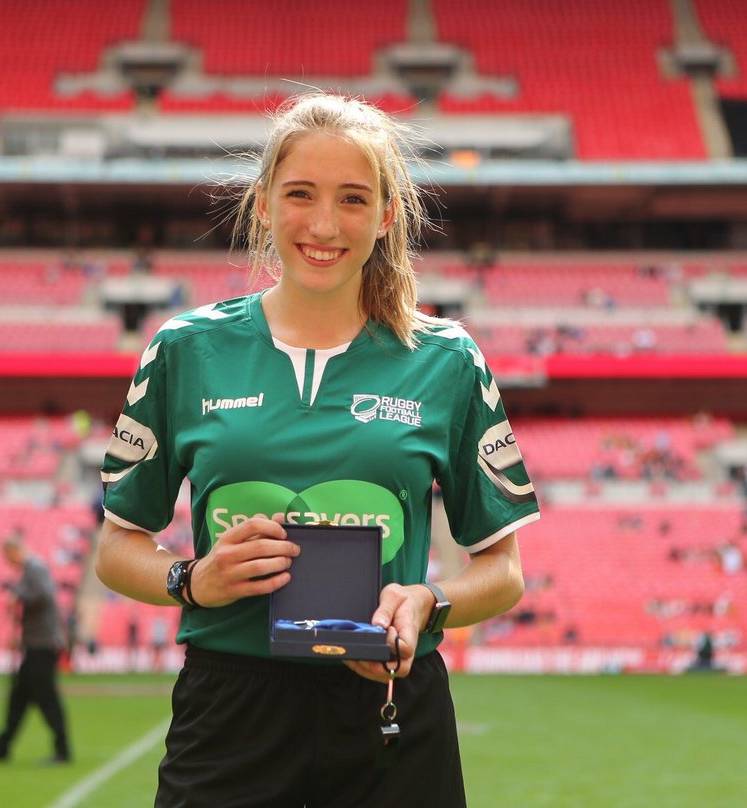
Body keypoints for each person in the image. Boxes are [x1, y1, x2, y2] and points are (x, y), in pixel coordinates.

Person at [95, 92, 541, 807]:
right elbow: (116, 549)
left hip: (390, 707)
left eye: (354, 199)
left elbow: (503, 570)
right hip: (230, 707)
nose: (325, 225)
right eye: (300, 194)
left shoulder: (447, 359)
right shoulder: (184, 349)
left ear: (389, 213)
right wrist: (190, 581)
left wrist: (426, 602)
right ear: (265, 203)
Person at [0, 535, 71, 764]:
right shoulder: (31, 569)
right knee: (19, 696)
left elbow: (44, 595)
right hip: (35, 643)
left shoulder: (34, 567)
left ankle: (62, 750)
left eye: (7, 556)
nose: (7, 561)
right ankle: (2, 746)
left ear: (13, 551)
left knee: (47, 697)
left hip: (42, 644)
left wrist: (17, 597)